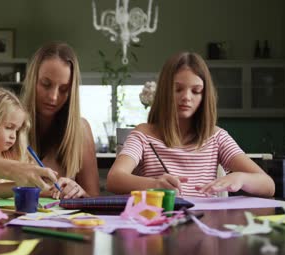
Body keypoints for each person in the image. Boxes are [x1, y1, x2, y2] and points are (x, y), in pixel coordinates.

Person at [0, 42, 99, 199]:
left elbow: (93, 199)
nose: (53, 97)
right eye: (45, 84)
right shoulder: (4, 118)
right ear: (31, 79)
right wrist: (15, 170)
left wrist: (79, 193)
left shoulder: (80, 129)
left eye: (64, 89)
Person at [107, 52, 275, 197]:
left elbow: (268, 185)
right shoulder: (144, 134)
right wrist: (155, 184)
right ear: (165, 92)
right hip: (158, 226)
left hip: (204, 226)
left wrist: (241, 178)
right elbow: (114, 179)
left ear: (205, 96)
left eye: (196, 91)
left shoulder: (217, 137)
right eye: (178, 89)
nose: (186, 97)